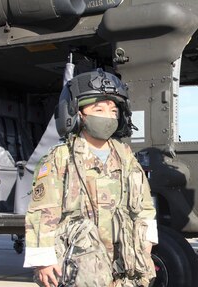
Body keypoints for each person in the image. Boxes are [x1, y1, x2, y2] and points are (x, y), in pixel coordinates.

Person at [24, 69, 157, 287]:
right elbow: (43, 212)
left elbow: (144, 205)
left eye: (113, 110)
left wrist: (146, 243)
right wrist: (43, 262)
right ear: (78, 114)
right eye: (99, 109)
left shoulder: (126, 157)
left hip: (124, 263)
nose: (108, 116)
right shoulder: (61, 158)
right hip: (79, 267)